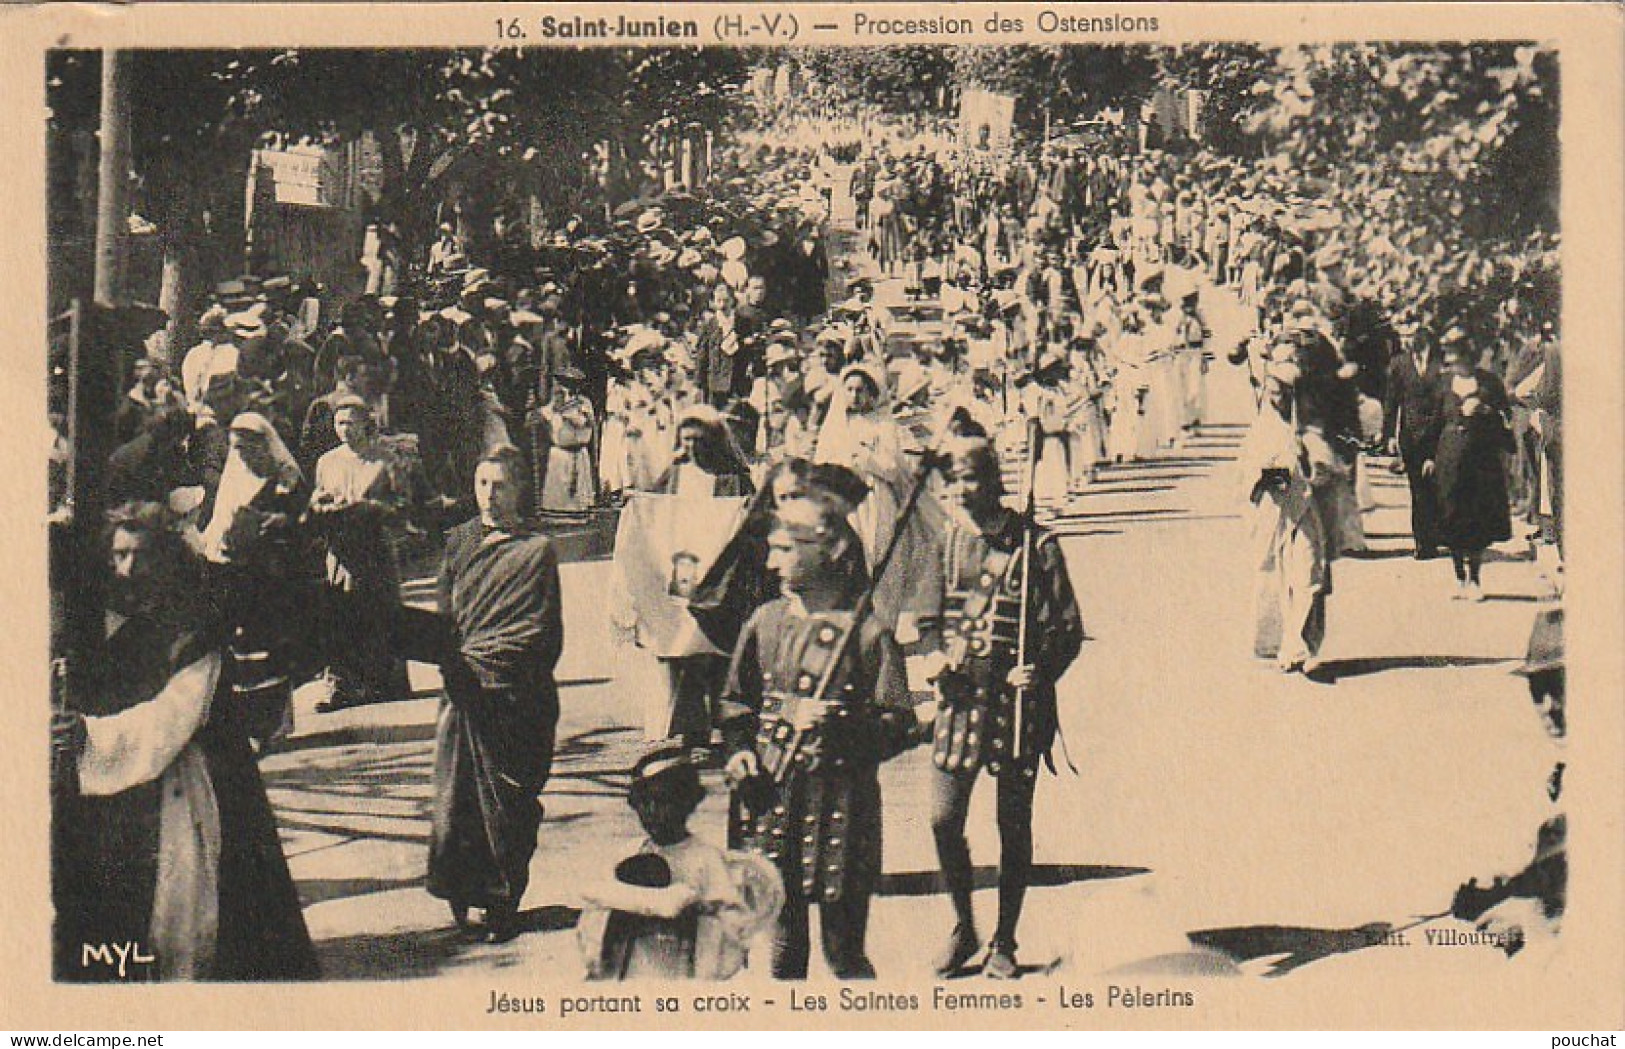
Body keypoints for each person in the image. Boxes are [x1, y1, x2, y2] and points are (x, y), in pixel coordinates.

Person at [51, 502, 318, 981]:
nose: (128, 569)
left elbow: (173, 716)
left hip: (190, 780)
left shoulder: (194, 630)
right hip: (117, 787)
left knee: (208, 922)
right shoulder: (98, 626)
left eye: (141, 555)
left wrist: (90, 736)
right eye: (119, 555)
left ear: (167, 559)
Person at [719, 498, 919, 979]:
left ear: (826, 550)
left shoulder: (868, 634)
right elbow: (735, 705)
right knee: (784, 953)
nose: (771, 562)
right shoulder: (763, 622)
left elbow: (899, 722)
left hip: (842, 810)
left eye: (784, 549)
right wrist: (741, 751)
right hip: (772, 802)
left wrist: (845, 727)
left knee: (843, 953)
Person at [916, 436, 1085, 979]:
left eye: (971, 478)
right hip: (960, 701)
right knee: (944, 820)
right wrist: (937, 658)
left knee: (1012, 822)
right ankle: (962, 926)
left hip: (1015, 704)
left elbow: (1067, 628)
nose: (962, 490)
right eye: (953, 481)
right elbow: (925, 619)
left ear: (995, 480)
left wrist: (1039, 669)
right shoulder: (945, 542)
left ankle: (1004, 940)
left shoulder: (1037, 545)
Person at [428, 447, 564, 943]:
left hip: (513, 695)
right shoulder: (459, 542)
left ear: (519, 490)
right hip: (463, 693)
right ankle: (463, 890)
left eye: (500, 485)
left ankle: (504, 898)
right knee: (457, 797)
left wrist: (492, 666)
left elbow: (542, 630)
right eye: (482, 483)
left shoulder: (536, 551)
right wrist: (452, 662)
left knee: (507, 800)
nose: (489, 495)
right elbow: (446, 617)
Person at [577, 744, 782, 980]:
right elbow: (593, 920)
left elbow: (728, 929)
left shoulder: (704, 858)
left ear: (687, 803)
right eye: (643, 802)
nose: (652, 812)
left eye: (663, 801)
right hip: (630, 971)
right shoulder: (630, 853)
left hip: (682, 970)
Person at [198, 413, 316, 748]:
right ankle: (254, 723)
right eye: (238, 449)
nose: (245, 455)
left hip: (276, 574)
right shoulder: (234, 478)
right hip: (240, 573)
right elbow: (220, 522)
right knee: (245, 650)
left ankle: (275, 722)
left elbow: (306, 519)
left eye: (250, 448)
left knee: (274, 646)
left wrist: (284, 521)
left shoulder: (287, 478)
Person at [308, 397, 412, 710]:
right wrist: (321, 504)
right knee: (340, 611)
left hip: (375, 547)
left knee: (379, 611)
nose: (344, 430)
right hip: (341, 549)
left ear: (367, 423)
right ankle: (340, 685)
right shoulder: (327, 462)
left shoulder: (385, 460)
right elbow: (316, 499)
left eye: (351, 423)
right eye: (339, 423)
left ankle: (384, 681)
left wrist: (371, 508)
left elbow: (404, 506)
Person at [1241, 351, 1332, 673]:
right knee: (1273, 575)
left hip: (1303, 508)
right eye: (1272, 393)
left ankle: (1302, 646)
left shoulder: (1308, 429)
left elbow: (1324, 472)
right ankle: (1279, 642)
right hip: (1271, 511)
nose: (1276, 399)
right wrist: (1265, 475)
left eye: (1282, 393)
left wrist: (1307, 461)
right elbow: (1246, 473)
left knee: (1307, 573)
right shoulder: (1260, 428)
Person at [1435, 336, 1514, 601]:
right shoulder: (1443, 384)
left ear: (1468, 356)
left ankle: (1475, 579)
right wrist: (1427, 457)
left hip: (1480, 459)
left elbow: (1507, 418)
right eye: (1449, 357)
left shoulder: (1489, 383)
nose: (1452, 362)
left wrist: (1486, 410)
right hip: (1449, 458)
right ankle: (1459, 577)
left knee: (1476, 517)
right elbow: (1432, 421)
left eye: (1456, 357)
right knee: (1451, 514)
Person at [1382, 314, 1446, 559]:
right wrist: (1388, 435)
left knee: (1435, 487)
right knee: (1418, 490)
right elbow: (1391, 402)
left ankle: (1436, 533)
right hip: (1410, 436)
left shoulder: (1440, 364)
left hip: (1437, 434)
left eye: (1414, 337)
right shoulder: (1399, 364)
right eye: (1406, 337)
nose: (1410, 342)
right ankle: (1423, 543)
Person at [537, 366, 597, 513]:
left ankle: (577, 512)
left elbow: (583, 422)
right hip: (559, 453)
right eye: (562, 383)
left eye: (569, 384)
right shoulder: (554, 403)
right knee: (558, 491)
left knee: (578, 494)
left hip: (577, 451)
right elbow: (540, 416)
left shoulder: (583, 403)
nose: (564, 387)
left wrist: (566, 413)